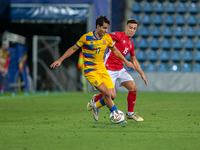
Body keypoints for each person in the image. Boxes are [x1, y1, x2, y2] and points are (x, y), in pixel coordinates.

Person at [50, 15, 135, 123]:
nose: (106, 30)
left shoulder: (107, 38)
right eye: (104, 28)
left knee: (112, 95)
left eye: (107, 28)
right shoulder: (86, 38)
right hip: (91, 71)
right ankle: (116, 115)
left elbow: (115, 51)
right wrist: (60, 60)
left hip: (102, 69)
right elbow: (73, 48)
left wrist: (126, 61)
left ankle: (96, 105)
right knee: (106, 93)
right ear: (97, 26)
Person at [87, 18, 148, 122]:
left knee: (133, 88)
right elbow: (105, 36)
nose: (132, 30)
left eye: (134, 29)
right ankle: (96, 102)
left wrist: (142, 73)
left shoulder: (131, 44)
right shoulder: (118, 35)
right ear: (126, 27)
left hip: (120, 69)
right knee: (111, 96)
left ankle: (130, 114)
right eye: (130, 28)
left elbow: (133, 59)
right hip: (109, 69)